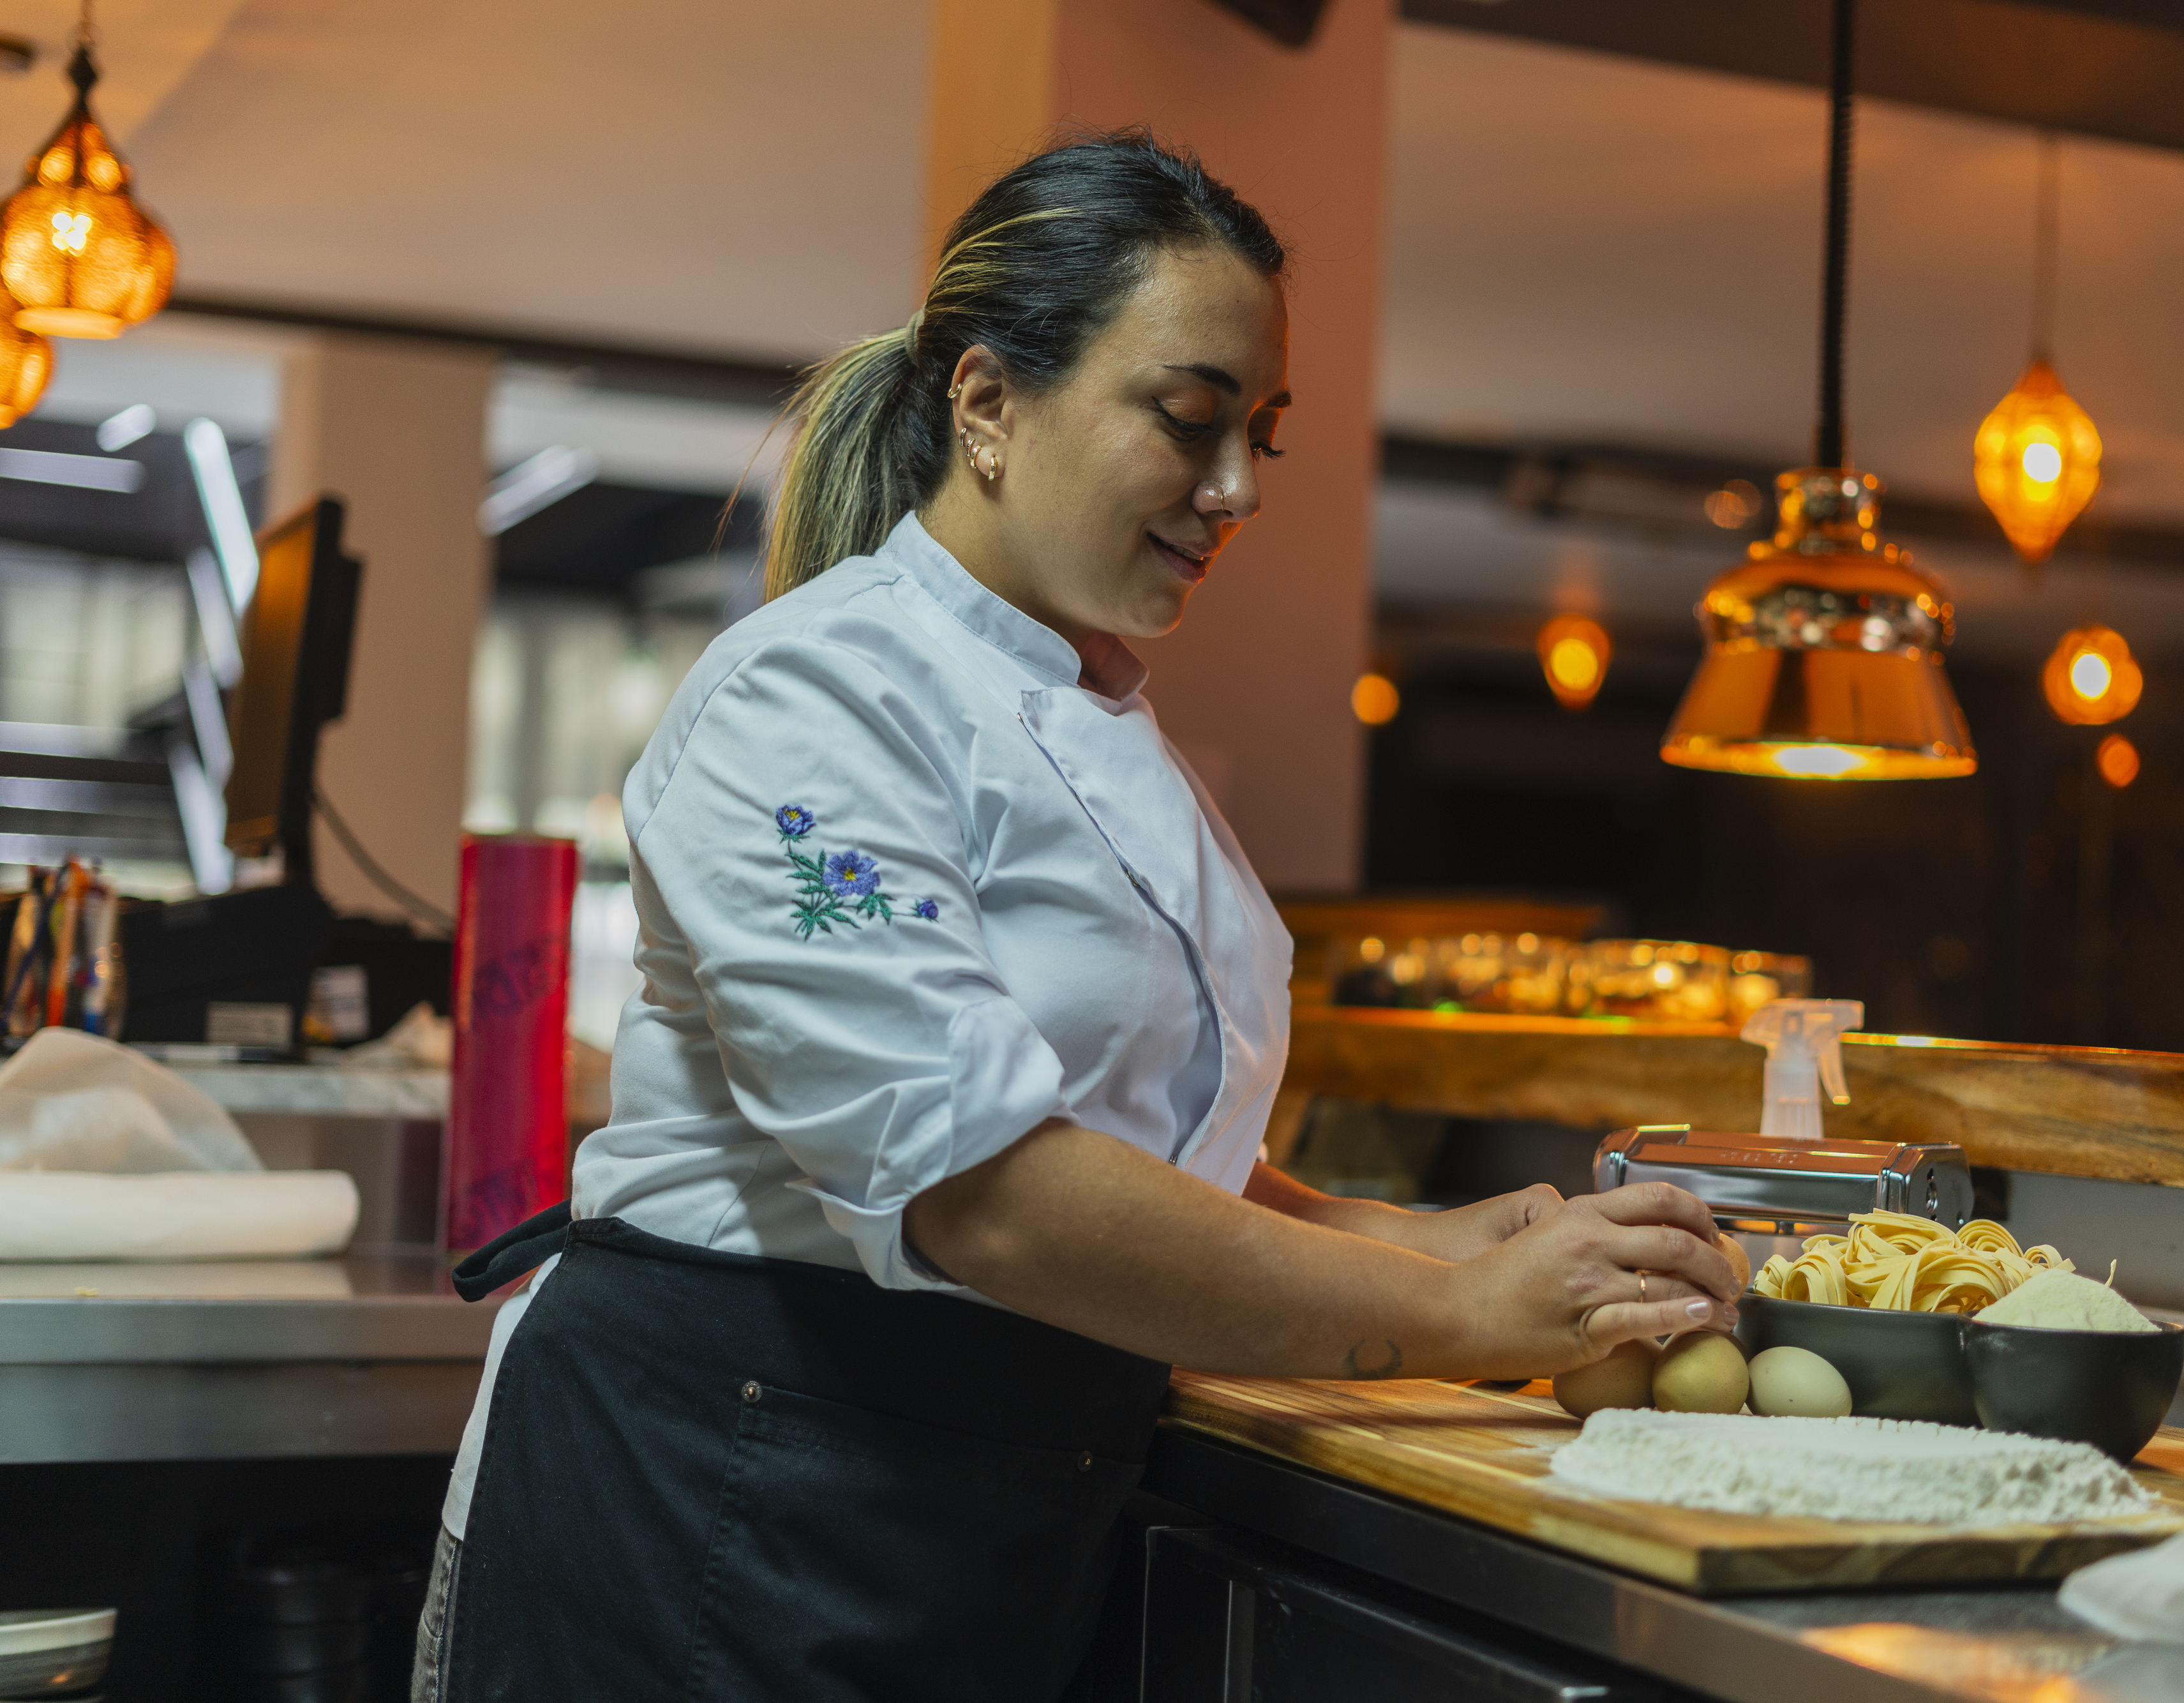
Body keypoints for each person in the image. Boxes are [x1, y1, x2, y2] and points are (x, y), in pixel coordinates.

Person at [412, 131, 1746, 1702]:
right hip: (725, 1491)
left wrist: (1431, 1229)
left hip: (971, 1494)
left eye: (1262, 433)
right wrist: (1458, 1308)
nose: (1238, 486)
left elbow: (1148, 1153)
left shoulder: (1110, 720)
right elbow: (985, 1191)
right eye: (1189, 420)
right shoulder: (814, 694)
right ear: (986, 404)